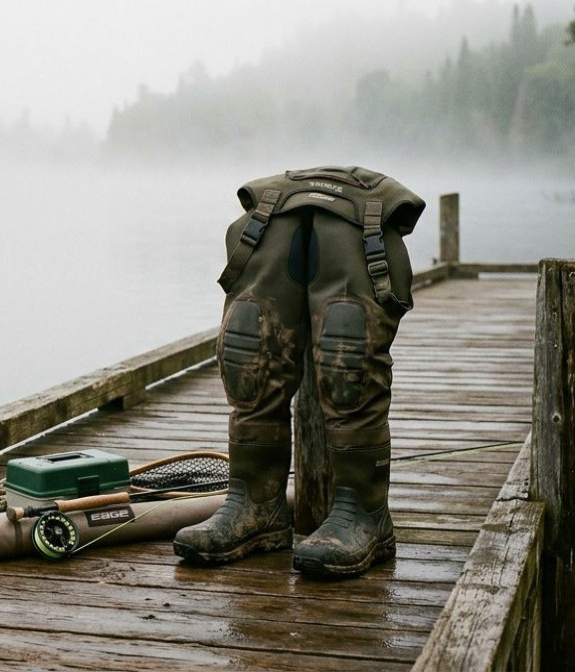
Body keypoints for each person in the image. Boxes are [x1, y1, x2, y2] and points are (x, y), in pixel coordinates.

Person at [174, 166, 424, 578]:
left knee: (350, 358)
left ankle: (365, 517)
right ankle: (255, 506)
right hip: (277, 217)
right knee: (248, 351)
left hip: (359, 226)